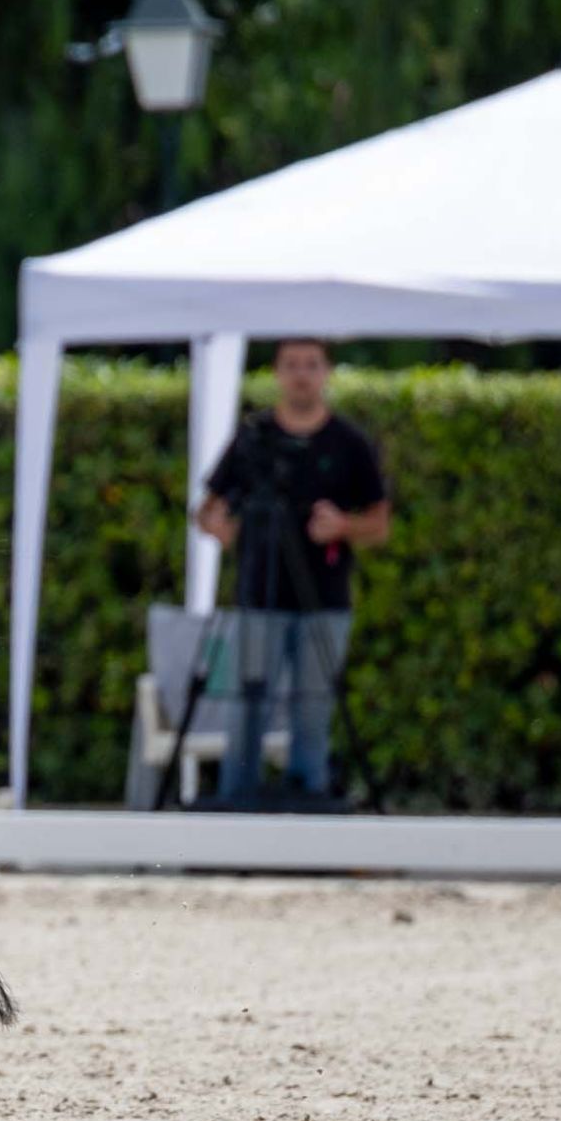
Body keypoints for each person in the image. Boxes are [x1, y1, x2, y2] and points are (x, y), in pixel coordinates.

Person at [196, 339, 391, 805]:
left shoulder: (349, 443)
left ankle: (309, 806)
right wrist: (220, 527)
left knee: (313, 709)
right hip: (258, 596)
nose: (301, 374)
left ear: (326, 372)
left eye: (311, 365)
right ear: (277, 373)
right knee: (248, 708)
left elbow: (379, 524)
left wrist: (343, 526)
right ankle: (236, 802)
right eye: (291, 365)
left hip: (323, 600)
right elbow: (207, 511)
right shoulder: (253, 437)